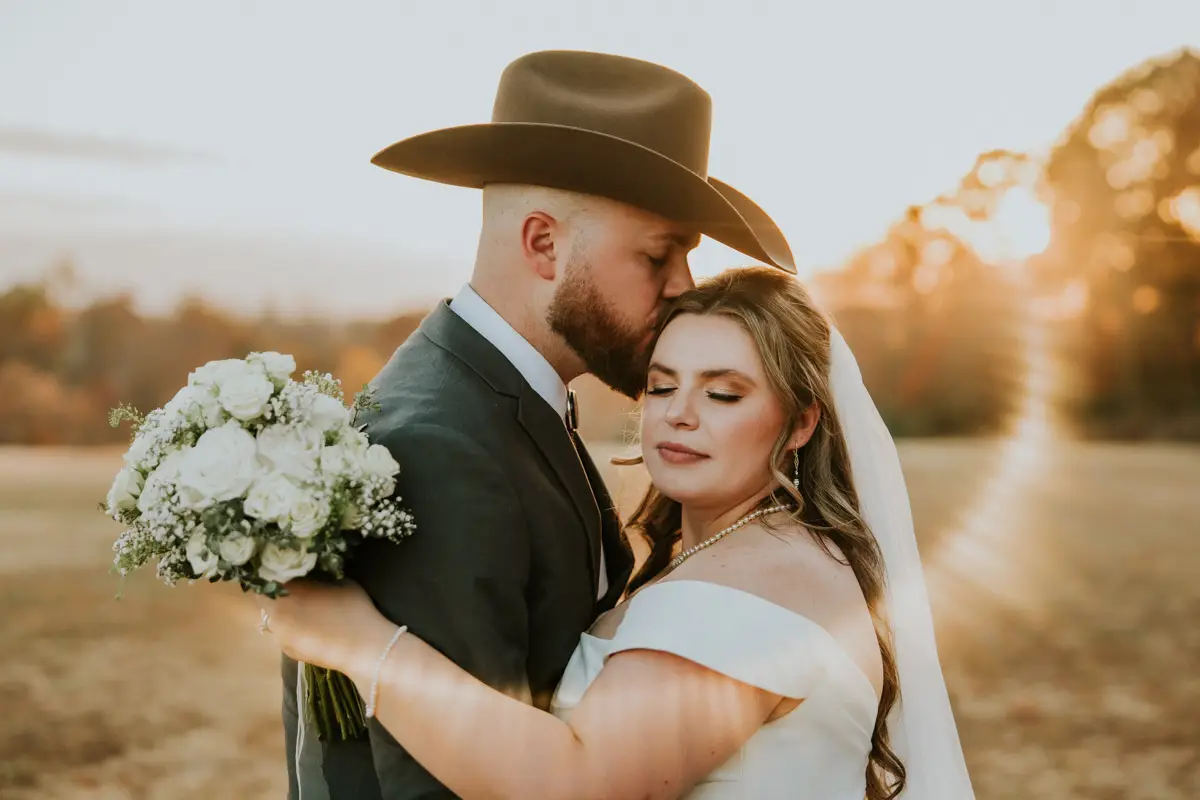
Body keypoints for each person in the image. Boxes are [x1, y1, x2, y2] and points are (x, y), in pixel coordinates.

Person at [278, 49, 798, 798]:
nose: (686, 286)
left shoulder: (510, 398)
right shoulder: (437, 449)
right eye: (659, 255)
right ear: (544, 245)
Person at [260, 267, 977, 798]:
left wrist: (357, 641)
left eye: (723, 393)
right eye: (663, 385)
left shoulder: (762, 576)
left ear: (800, 422)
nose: (679, 413)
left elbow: (580, 782)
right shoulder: (744, 555)